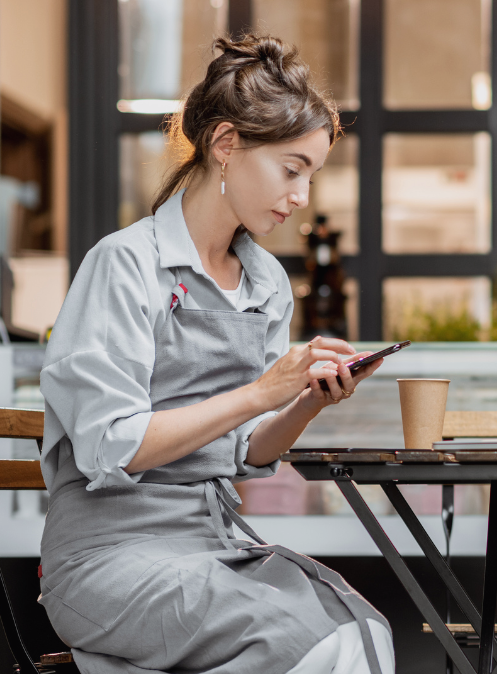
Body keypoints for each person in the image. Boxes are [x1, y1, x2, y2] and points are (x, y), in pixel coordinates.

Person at [38, 35, 394, 674]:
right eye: (292, 169)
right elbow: (109, 446)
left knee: (366, 631)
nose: (302, 196)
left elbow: (248, 450)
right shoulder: (125, 264)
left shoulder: (266, 284)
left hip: (214, 547)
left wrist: (301, 403)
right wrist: (261, 391)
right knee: (306, 647)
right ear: (225, 145)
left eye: (312, 175)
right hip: (106, 559)